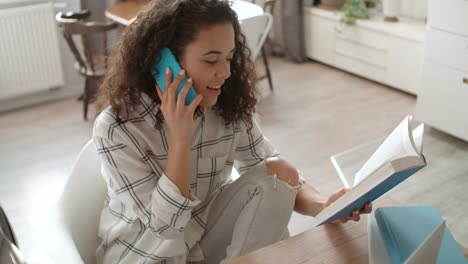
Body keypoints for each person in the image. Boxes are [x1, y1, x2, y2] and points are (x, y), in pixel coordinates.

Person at [93, 0, 372, 263]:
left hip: (200, 241)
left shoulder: (225, 106)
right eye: (211, 61)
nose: (226, 72)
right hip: (146, 253)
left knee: (279, 172)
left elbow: (273, 171)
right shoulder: (117, 128)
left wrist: (326, 206)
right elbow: (164, 228)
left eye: (229, 58)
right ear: (164, 63)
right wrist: (181, 137)